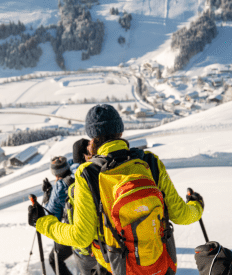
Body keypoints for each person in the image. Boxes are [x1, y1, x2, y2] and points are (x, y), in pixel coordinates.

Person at [29, 104, 205, 275]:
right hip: (158, 264)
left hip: (118, 265)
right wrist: (196, 205)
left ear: (92, 138)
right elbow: (182, 215)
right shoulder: (151, 162)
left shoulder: (88, 173)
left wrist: (42, 223)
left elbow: (81, 236)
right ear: (120, 132)